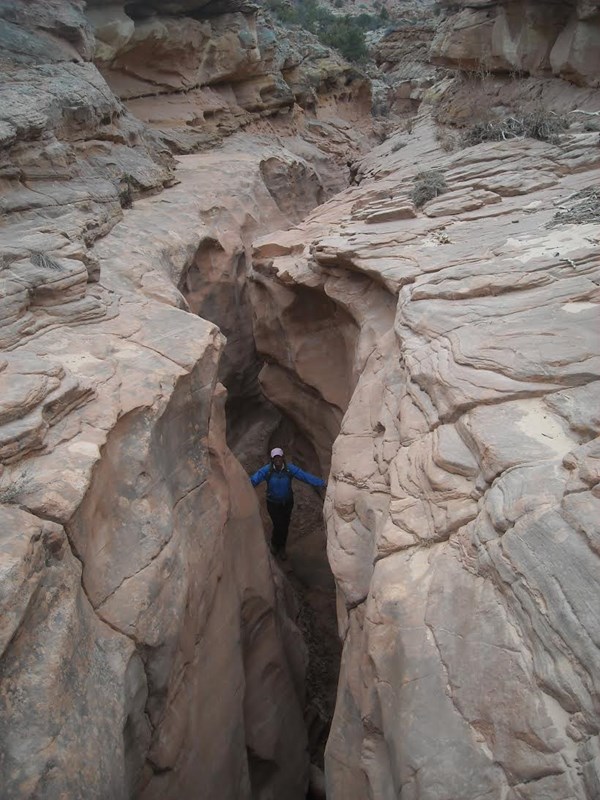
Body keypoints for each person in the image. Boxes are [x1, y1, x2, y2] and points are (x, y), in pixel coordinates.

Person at [250, 447, 326, 559]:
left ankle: (281, 548)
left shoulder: (289, 469)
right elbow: (254, 480)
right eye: (275, 458)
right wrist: (242, 485)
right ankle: (275, 544)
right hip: (273, 503)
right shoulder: (268, 470)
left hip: (287, 503)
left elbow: (304, 476)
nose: (277, 460)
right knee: (278, 525)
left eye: (279, 457)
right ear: (272, 459)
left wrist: (321, 483)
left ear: (283, 457)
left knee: (285, 526)